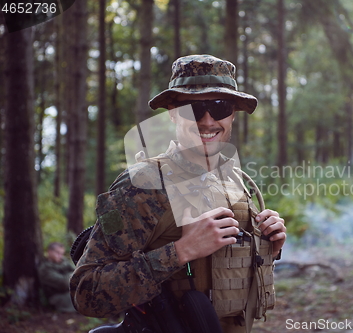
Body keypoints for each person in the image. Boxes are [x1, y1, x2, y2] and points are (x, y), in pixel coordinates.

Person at [70, 54, 286, 333]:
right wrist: (181, 250)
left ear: (233, 113)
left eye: (220, 107)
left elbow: (225, 275)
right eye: (194, 109)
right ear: (172, 112)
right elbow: (87, 293)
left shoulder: (234, 179)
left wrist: (267, 245)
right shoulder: (141, 185)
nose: (208, 121)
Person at [39, 242, 76, 313]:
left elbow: (79, 272)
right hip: (58, 296)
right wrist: (72, 275)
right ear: (49, 252)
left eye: (62, 253)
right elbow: (64, 283)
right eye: (58, 253)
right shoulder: (45, 268)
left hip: (70, 292)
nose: (60, 256)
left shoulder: (64, 262)